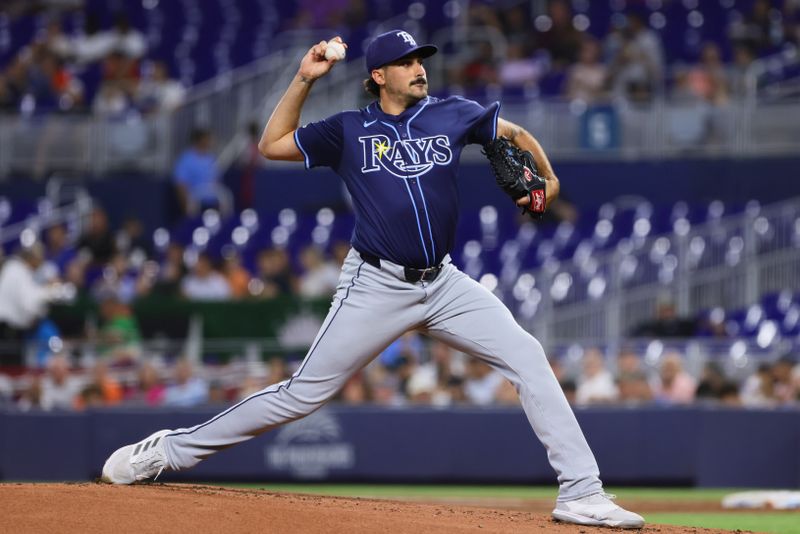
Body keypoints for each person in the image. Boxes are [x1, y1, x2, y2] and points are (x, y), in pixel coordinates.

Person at [101, 30, 643, 529]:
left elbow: (517, 132)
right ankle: (168, 450)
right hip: (376, 283)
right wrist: (305, 78)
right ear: (378, 75)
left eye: (420, 60)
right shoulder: (349, 130)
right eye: (404, 62)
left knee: (527, 356)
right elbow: (272, 144)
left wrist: (546, 180)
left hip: (444, 283)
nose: (417, 68)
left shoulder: (452, 112)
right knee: (301, 396)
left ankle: (580, 491)